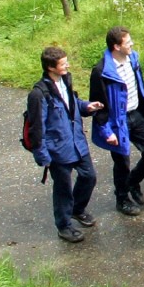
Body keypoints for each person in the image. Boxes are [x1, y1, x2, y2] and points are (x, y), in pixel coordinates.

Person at [27, 46, 105, 243]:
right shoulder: (38, 94)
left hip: (76, 142)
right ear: (50, 67)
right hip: (58, 149)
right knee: (63, 188)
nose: (68, 65)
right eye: (63, 63)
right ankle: (63, 225)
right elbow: (37, 128)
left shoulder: (65, 81)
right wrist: (43, 157)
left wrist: (87, 106)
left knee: (89, 176)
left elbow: (72, 104)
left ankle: (77, 209)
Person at [89, 26, 144, 217]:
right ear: (116, 46)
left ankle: (132, 182)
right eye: (128, 43)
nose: (132, 45)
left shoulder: (133, 59)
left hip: (136, 114)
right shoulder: (101, 71)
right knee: (122, 161)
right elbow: (98, 105)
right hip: (116, 121)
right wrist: (106, 131)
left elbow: (139, 86)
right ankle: (122, 199)